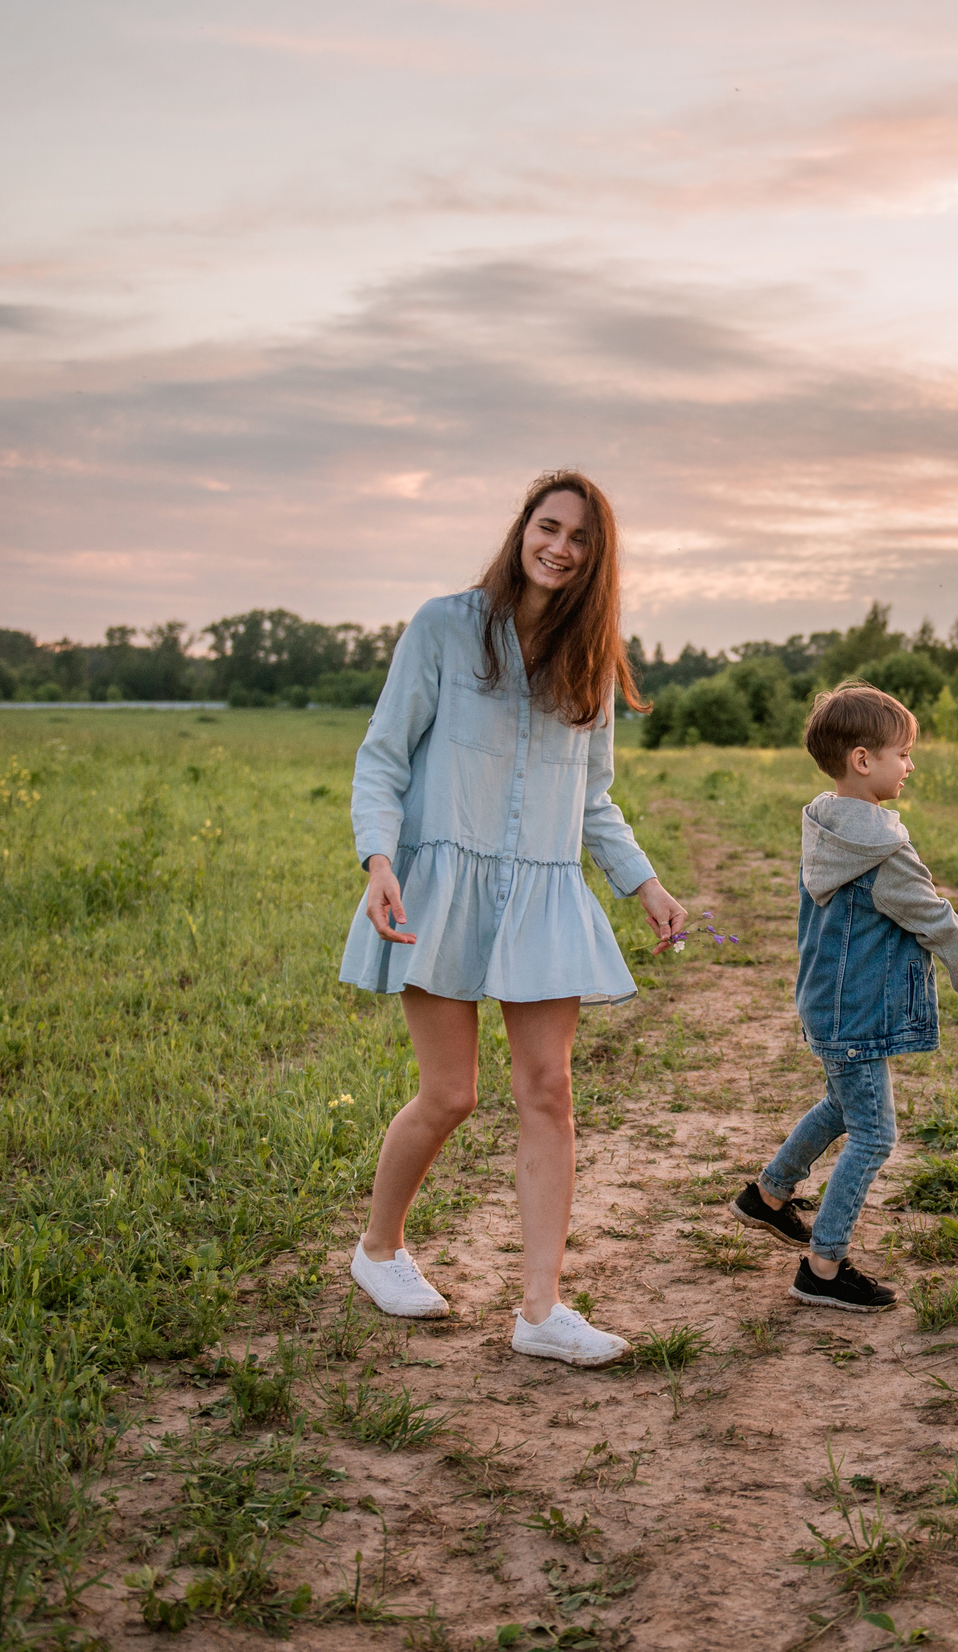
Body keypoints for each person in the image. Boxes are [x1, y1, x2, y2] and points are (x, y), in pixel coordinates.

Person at [340, 469, 686, 1367]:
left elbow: (594, 801)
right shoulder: (445, 626)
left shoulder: (592, 663)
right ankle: (378, 1251)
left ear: (597, 560)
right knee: (451, 1091)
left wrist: (643, 886)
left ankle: (541, 1309)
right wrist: (379, 858)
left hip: (541, 891)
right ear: (523, 528)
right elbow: (381, 756)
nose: (560, 547)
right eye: (549, 526)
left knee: (549, 1092)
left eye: (580, 539)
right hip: (440, 885)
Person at [728, 682, 958, 1311]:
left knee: (841, 1104)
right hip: (858, 1013)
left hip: (826, 1004)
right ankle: (823, 1270)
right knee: (875, 1135)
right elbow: (940, 923)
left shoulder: (826, 824)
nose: (910, 766)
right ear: (863, 759)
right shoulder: (884, 852)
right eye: (903, 753)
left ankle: (768, 1196)